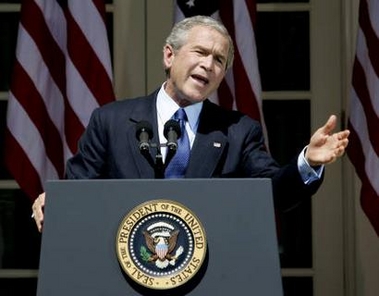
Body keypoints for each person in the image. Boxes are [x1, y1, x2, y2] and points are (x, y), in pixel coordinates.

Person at [31, 15, 349, 232]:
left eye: (219, 60)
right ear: (170, 56)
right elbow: (79, 189)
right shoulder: (111, 121)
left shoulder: (238, 131)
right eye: (200, 52)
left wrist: (306, 162)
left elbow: (272, 194)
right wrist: (57, 202)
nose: (208, 65)